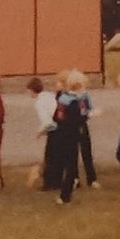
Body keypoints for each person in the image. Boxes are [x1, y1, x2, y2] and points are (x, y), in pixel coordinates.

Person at [53, 69, 84, 205]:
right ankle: (65, 196)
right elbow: (76, 120)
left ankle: (65, 189)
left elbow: (56, 116)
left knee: (66, 164)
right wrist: (88, 116)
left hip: (61, 134)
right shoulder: (74, 102)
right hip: (71, 136)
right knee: (71, 167)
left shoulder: (63, 99)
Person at [27, 77, 59, 190]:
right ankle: (57, 181)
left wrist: (40, 132)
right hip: (62, 126)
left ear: (32, 90)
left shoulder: (39, 103)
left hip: (54, 130)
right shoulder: (49, 95)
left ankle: (49, 183)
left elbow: (47, 122)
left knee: (49, 157)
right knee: (57, 157)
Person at [76, 73, 101, 190]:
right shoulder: (68, 97)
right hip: (72, 127)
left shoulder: (85, 96)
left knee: (87, 152)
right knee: (73, 154)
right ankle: (74, 179)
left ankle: (92, 179)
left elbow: (89, 108)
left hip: (83, 125)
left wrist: (91, 113)